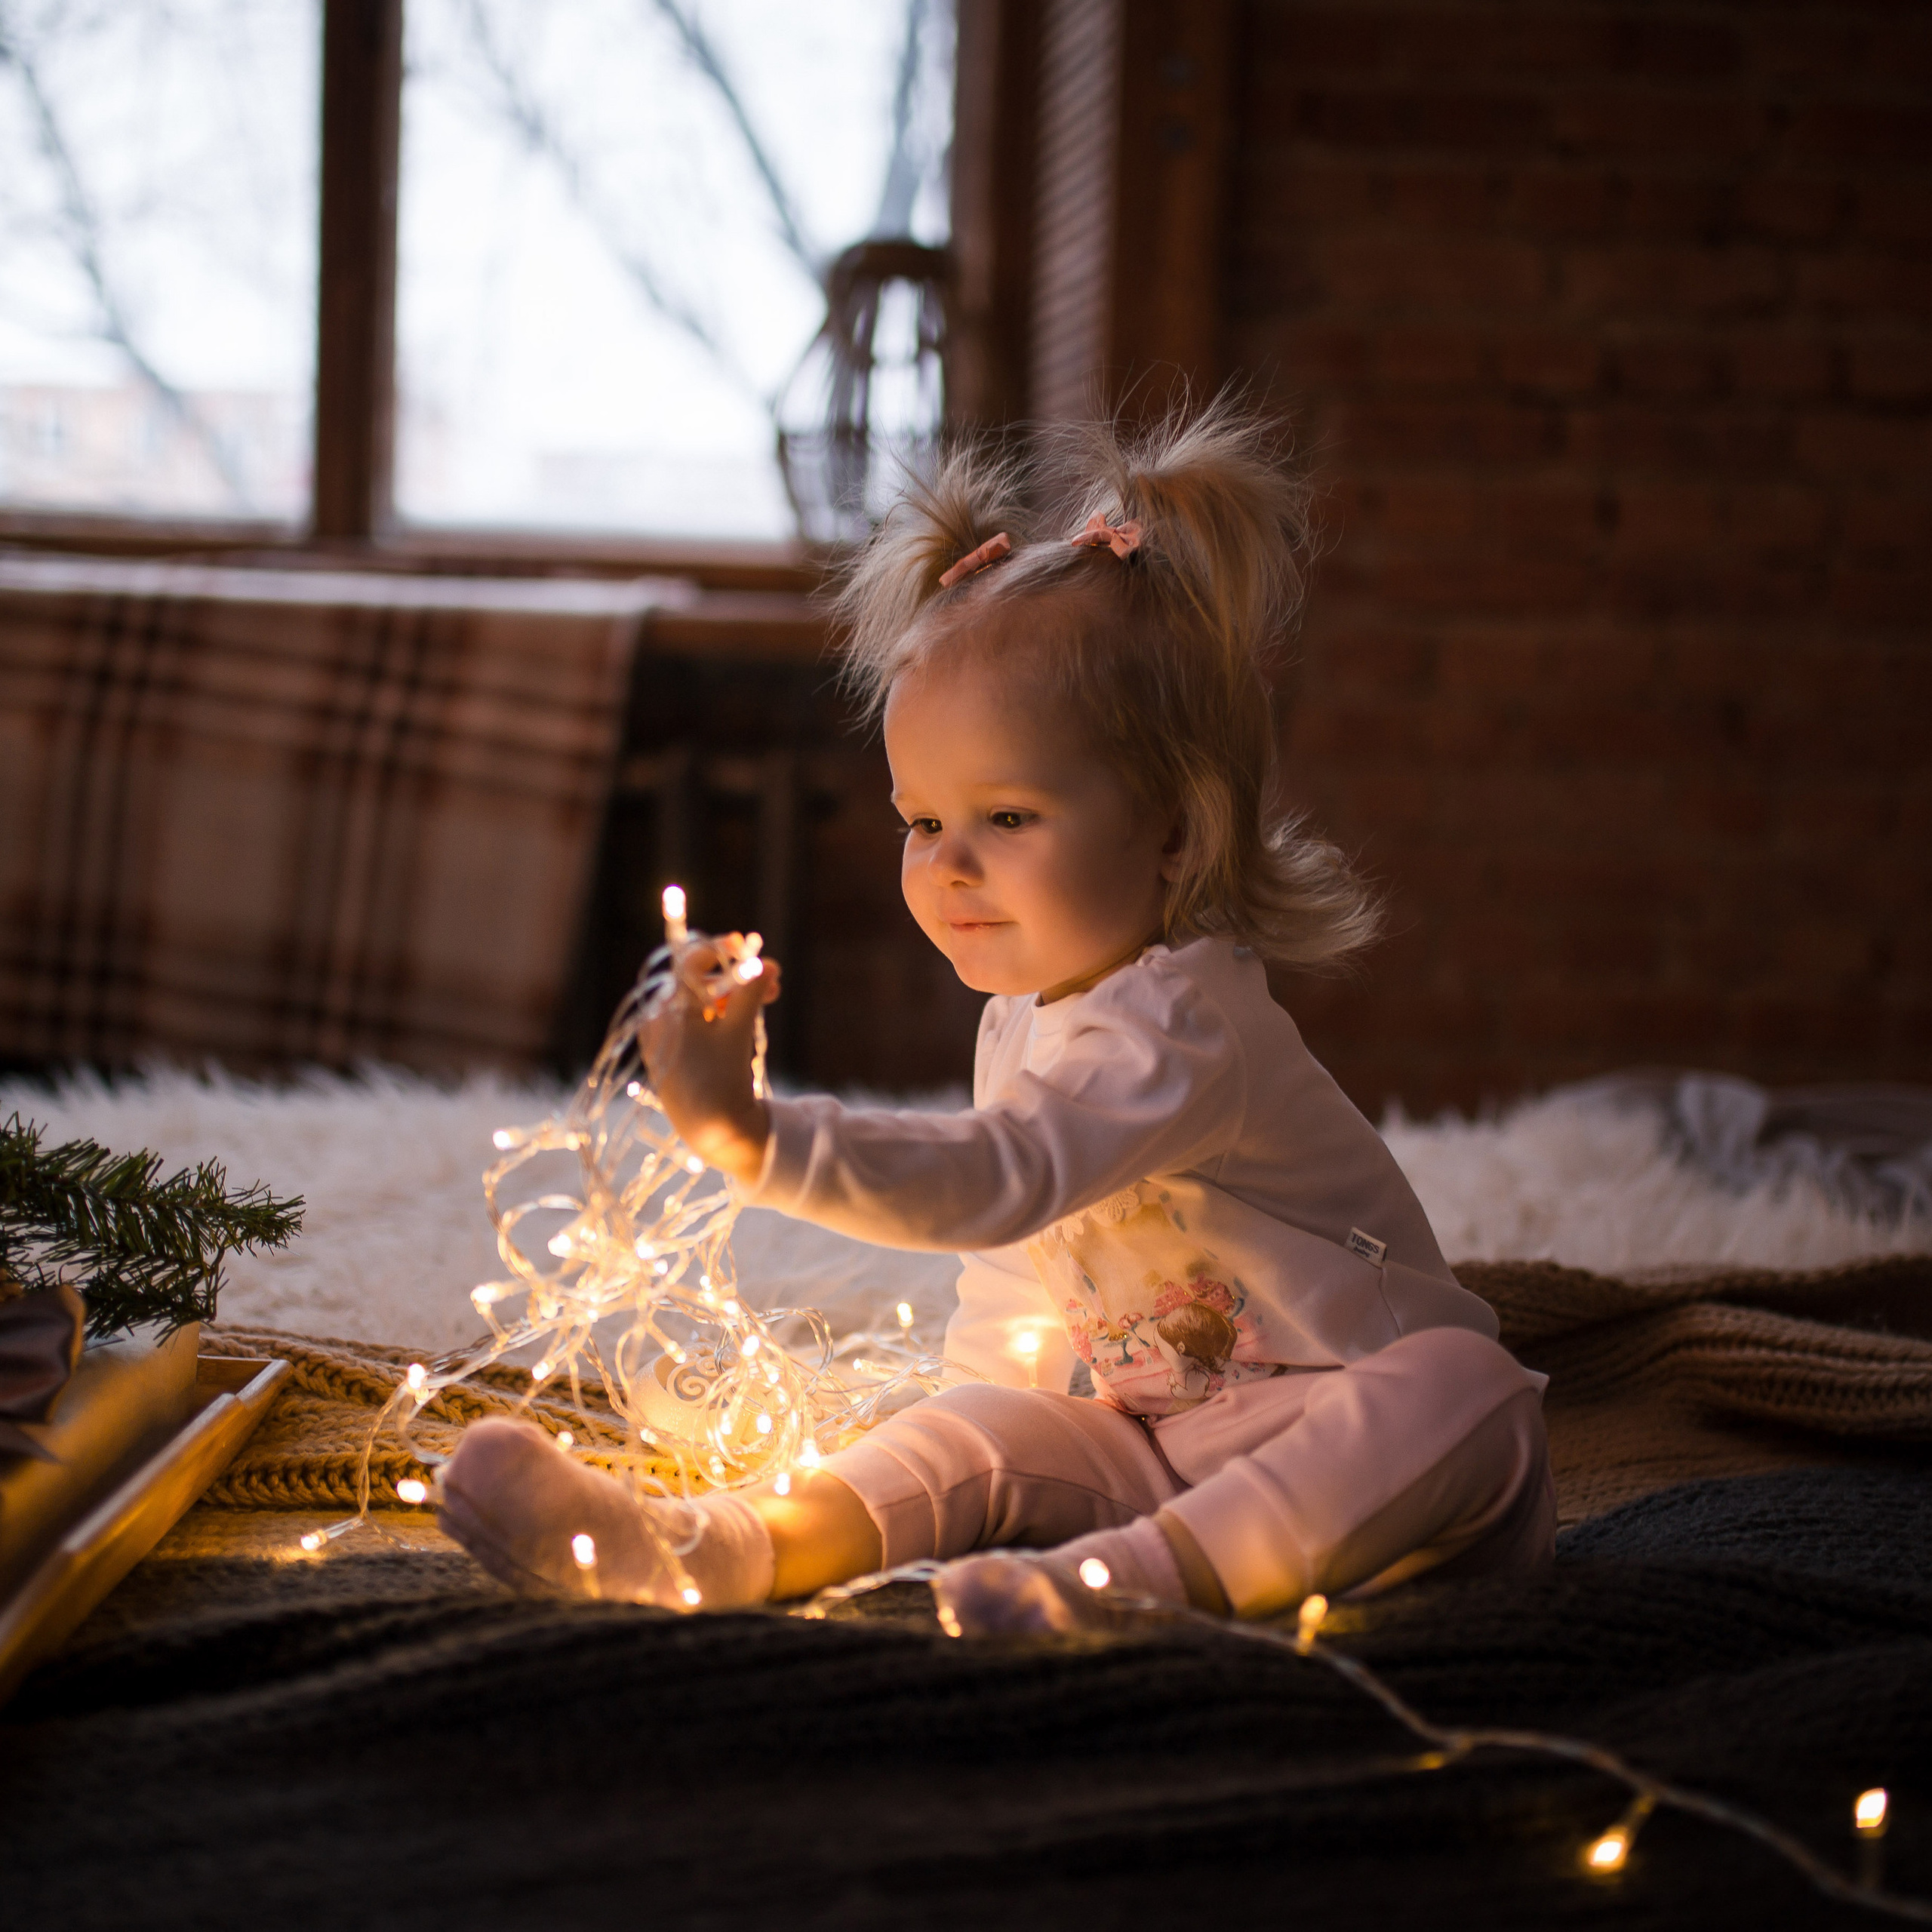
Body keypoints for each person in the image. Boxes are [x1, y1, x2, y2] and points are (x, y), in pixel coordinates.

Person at [439, 399, 1555, 1633]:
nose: (948, 866)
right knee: (981, 1417)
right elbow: (1018, 1288)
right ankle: (726, 1549)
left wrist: (756, 1136)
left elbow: (1006, 1176)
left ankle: (1124, 1592)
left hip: (1393, 1478)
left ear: (1175, 831)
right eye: (923, 822)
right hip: (1163, 1459)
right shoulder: (1023, 1018)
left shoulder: (1183, 1023)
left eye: (1008, 819)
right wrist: (968, 1458)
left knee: (1466, 1384)